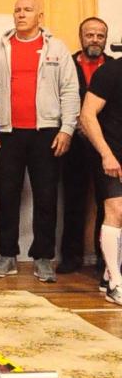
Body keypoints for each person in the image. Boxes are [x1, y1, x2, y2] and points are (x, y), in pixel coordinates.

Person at [0, 0, 80, 282]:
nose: (21, 14)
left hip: (46, 134)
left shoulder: (56, 48)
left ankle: (43, 257)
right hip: (8, 134)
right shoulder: (1, 48)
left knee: (46, 197)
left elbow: (70, 90)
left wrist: (67, 129)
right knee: (7, 196)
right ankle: (7, 255)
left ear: (40, 16)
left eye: (27, 10)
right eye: (17, 10)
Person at [58, 17, 108, 274]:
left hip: (105, 144)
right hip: (73, 142)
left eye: (100, 35)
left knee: (107, 201)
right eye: (90, 35)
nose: (95, 40)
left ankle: (105, 257)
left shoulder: (113, 67)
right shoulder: (65, 64)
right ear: (81, 37)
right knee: (73, 200)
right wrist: (74, 123)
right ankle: (71, 257)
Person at [79, 52, 122, 305]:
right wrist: (106, 154)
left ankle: (108, 274)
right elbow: (87, 115)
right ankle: (116, 284)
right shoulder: (110, 72)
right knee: (116, 210)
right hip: (109, 152)